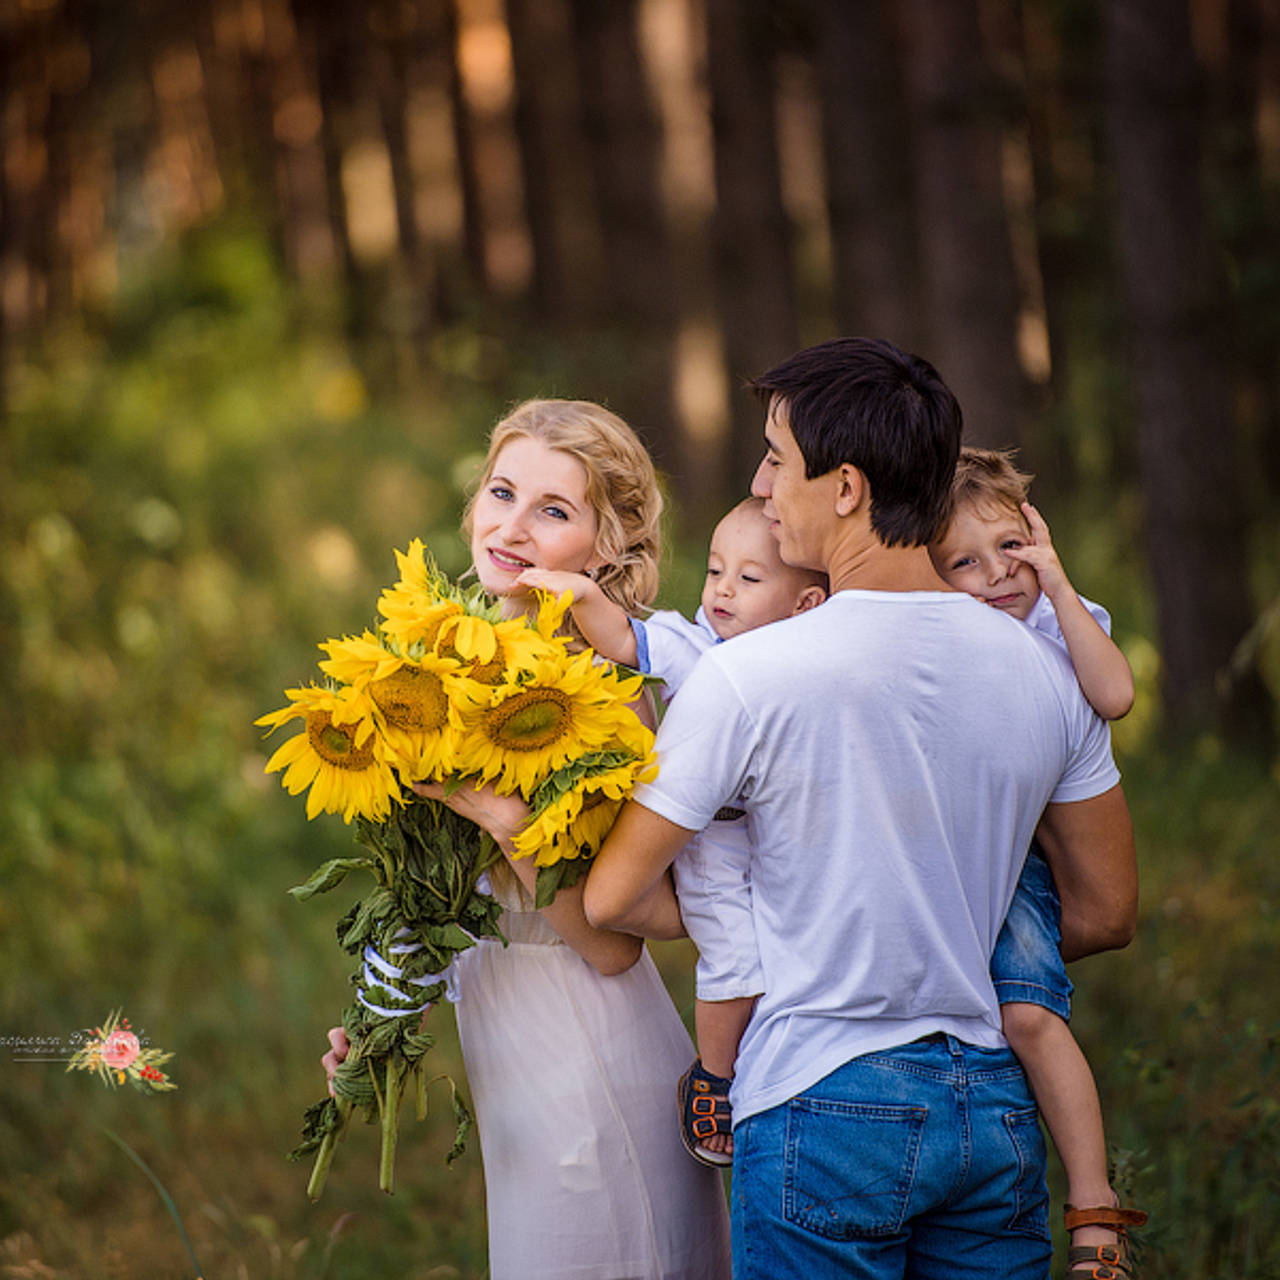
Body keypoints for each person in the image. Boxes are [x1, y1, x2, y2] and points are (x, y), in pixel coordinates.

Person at [583, 337, 1139, 1280]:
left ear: (844, 488)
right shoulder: (1047, 675)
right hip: (993, 1112)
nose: (762, 488)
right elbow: (1102, 912)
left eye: (774, 460)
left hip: (819, 1100)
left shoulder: (751, 677)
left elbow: (612, 901)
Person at [323, 399, 732, 1280]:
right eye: (502, 493)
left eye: (554, 510)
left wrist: (513, 826)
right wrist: (382, 1012)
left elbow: (615, 945)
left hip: (588, 1056)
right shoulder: (443, 665)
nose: (513, 526)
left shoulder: (601, 694)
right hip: (509, 1056)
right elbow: (434, 890)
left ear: (606, 546)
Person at [518, 496, 828, 1166]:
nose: (720, 589)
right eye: (716, 570)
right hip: (712, 848)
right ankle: (714, 1077)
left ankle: (769, 1062)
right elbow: (627, 638)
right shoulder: (697, 649)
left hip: (783, 849)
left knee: (788, 960)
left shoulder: (812, 671)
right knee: (735, 961)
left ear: (805, 605)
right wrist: (578, 594)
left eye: (748, 579)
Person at [928, 445, 1145, 1273]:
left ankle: (1095, 1212)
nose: (996, 576)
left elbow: (1117, 695)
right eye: (965, 563)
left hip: (1018, 857)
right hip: (950, 850)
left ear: (1037, 535)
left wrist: (1053, 581)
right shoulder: (941, 635)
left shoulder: (1060, 617)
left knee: (1027, 1014)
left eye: (1009, 549)